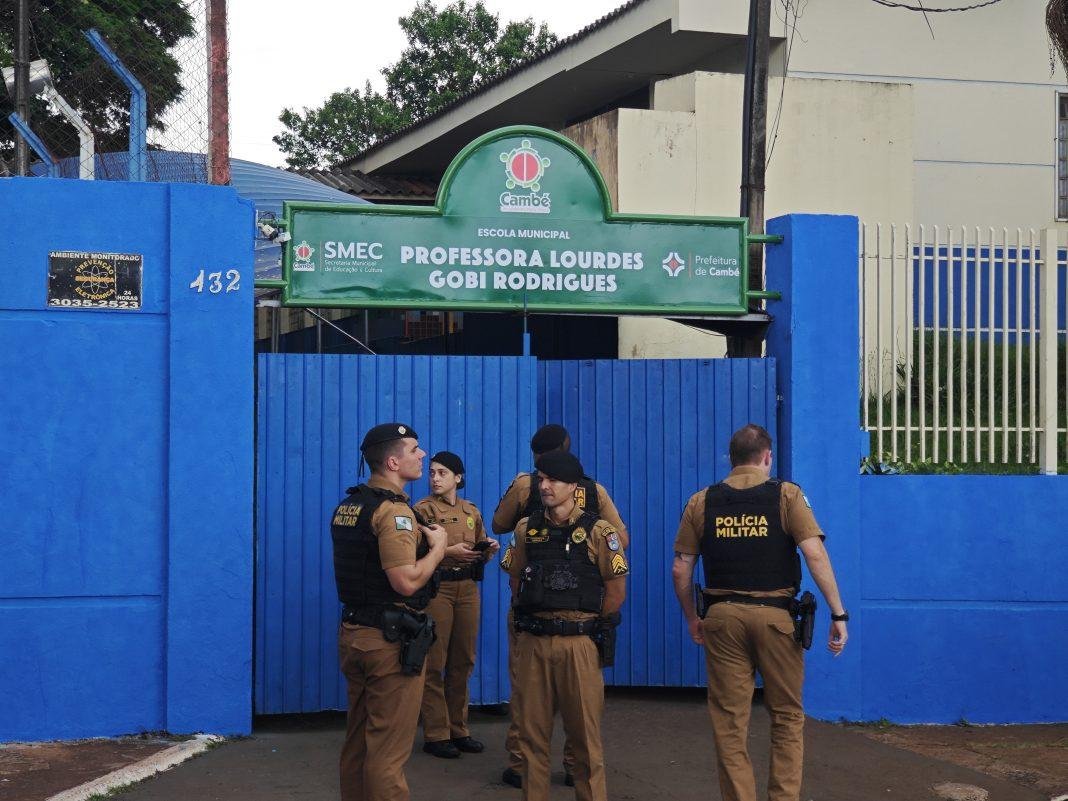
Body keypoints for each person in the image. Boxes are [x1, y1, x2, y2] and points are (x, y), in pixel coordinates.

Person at [671, 423, 848, 801]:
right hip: (776, 619)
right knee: (785, 716)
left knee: (730, 724)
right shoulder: (787, 495)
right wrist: (838, 613)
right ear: (767, 457)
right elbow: (814, 553)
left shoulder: (702, 501)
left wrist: (692, 617)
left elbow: (681, 568)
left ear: (731, 459)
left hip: (722, 619)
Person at [493, 424, 628, 789]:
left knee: (583, 730)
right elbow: (514, 576)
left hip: (579, 633)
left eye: (552, 479)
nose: (544, 485)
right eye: (542, 479)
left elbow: (616, 581)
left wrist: (594, 623)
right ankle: (538, 767)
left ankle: (538, 764)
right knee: (534, 724)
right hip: (536, 628)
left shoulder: (597, 529)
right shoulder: (531, 523)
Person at [331, 423, 448, 801]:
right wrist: (439, 550)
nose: (423, 455)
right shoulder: (394, 511)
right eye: (415, 449)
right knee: (388, 752)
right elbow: (406, 582)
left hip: (356, 634)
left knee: (359, 742)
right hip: (387, 643)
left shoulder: (351, 504)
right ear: (394, 461)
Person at [414, 451, 500, 759]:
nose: (435, 478)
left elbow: (478, 546)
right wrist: (449, 552)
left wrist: (487, 549)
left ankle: (458, 728)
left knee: (463, 659)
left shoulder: (470, 511)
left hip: (467, 589)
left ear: (458, 478)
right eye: (432, 472)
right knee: (435, 661)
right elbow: (415, 550)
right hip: (438, 589)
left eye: (442, 473)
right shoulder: (422, 510)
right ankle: (436, 733)